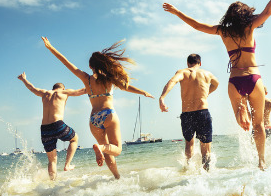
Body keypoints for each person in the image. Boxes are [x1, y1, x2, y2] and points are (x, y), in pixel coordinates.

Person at [163, 0, 271, 169]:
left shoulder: (223, 31)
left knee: (242, 123)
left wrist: (177, 12)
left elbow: (197, 25)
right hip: (254, 78)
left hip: (235, 81)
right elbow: (268, 11)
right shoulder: (250, 27)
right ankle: (261, 161)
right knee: (258, 126)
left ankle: (241, 111)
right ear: (245, 14)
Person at [42, 37, 154, 179]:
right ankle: (101, 150)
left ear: (90, 67)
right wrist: (142, 92)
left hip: (94, 119)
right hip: (108, 114)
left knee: (108, 150)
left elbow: (66, 62)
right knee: (116, 149)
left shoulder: (86, 79)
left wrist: (51, 47)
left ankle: (117, 177)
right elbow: (125, 87)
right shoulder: (109, 78)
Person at [17, 72, 85, 180]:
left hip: (45, 129)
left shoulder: (44, 93)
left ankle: (52, 184)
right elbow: (82, 91)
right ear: (62, 88)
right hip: (58, 124)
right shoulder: (64, 92)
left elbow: (32, 88)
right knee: (75, 139)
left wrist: (24, 79)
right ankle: (67, 165)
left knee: (52, 160)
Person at [159, 54, 219, 171]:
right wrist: (206, 93)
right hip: (203, 112)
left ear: (188, 63)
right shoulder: (207, 74)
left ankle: (189, 171)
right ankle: (206, 173)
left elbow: (172, 81)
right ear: (200, 63)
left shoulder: (183, 72)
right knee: (205, 147)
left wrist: (162, 97)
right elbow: (216, 84)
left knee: (189, 145)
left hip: (187, 114)